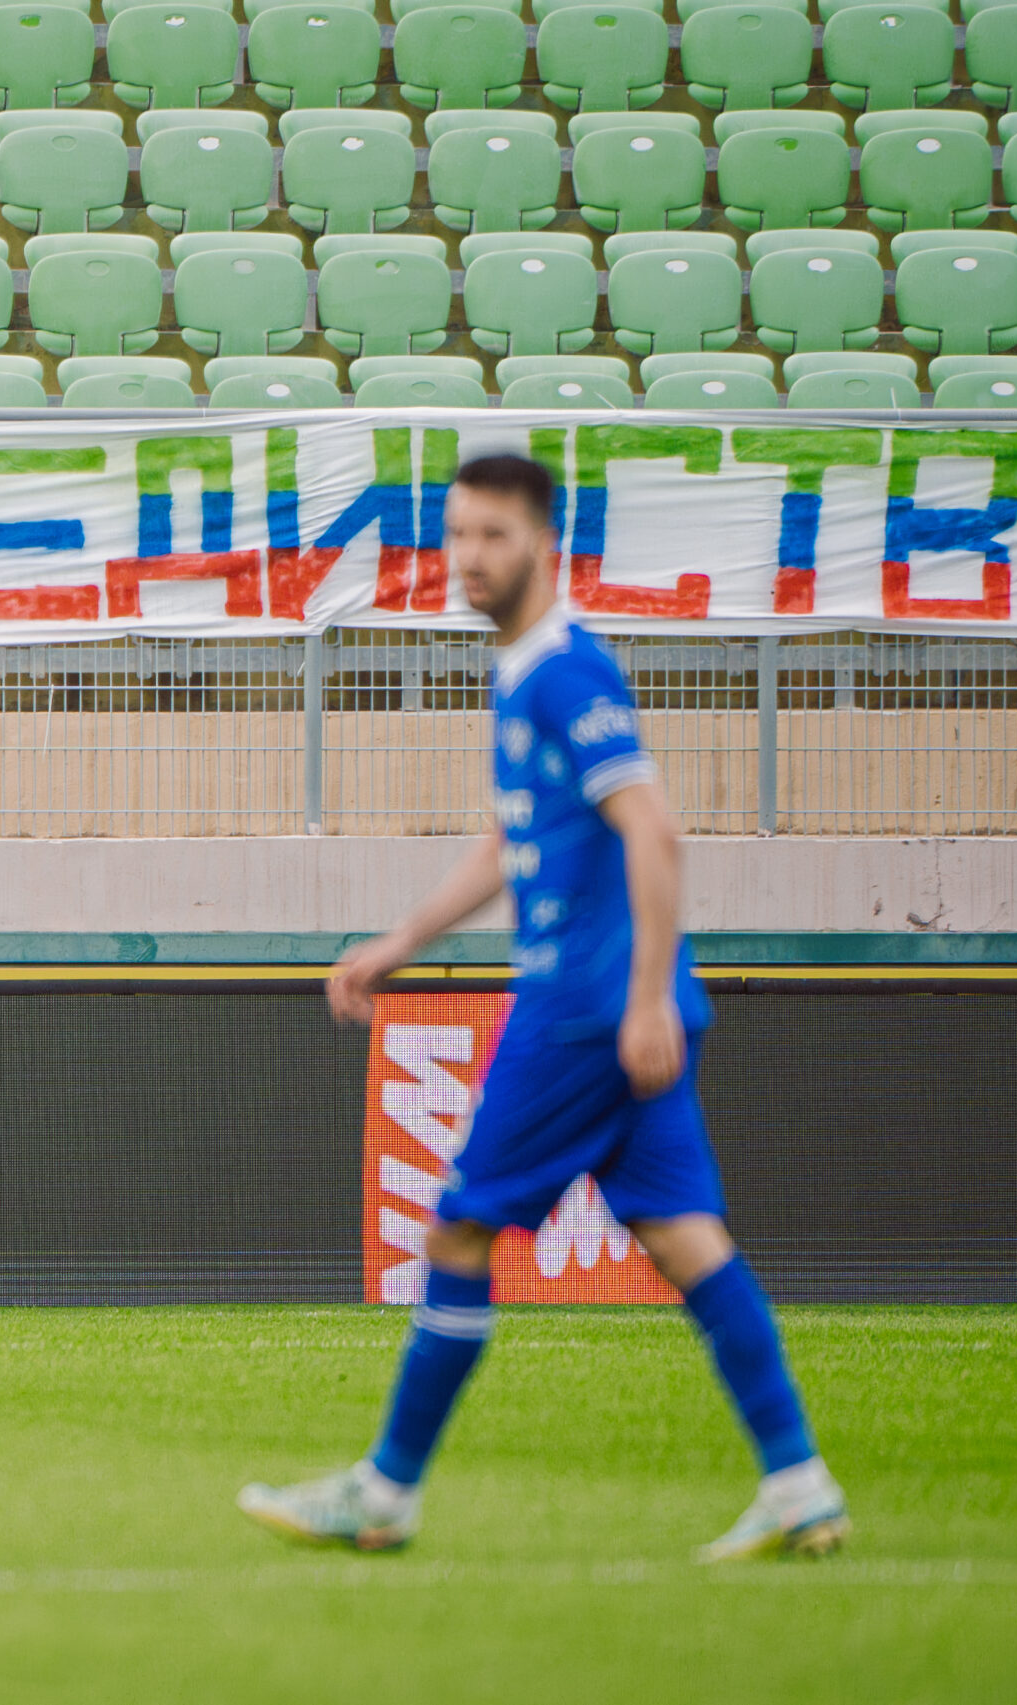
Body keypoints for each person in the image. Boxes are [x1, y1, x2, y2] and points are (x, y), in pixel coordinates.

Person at [237, 453, 848, 1563]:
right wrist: (403, 942)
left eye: (494, 536)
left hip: (578, 1012)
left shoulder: (565, 672)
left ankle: (385, 1491)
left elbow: (654, 830)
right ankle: (799, 1479)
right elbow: (509, 842)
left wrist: (644, 997)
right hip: (613, 1009)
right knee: (684, 1238)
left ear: (544, 545)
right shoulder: (523, 670)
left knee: (458, 1228)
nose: (470, 557)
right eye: (458, 534)